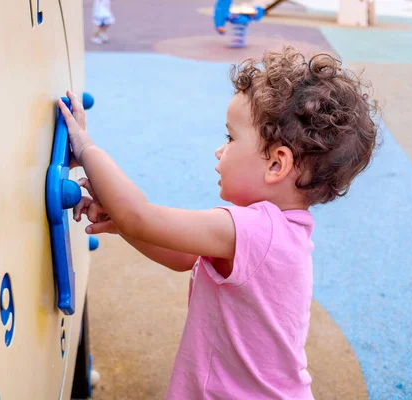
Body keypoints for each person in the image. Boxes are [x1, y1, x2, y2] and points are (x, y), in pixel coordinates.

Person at [57, 46, 379, 399]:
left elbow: (141, 217)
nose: (219, 150)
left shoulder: (256, 231)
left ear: (277, 164)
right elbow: (182, 256)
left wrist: (85, 148)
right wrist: (120, 223)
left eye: (230, 138)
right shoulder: (279, 230)